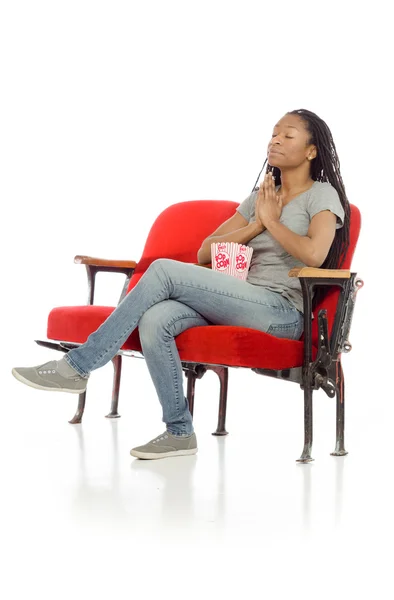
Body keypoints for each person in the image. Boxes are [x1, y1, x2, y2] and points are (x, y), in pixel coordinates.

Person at [12, 108, 350, 460]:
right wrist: (257, 224)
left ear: (311, 151)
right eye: (273, 133)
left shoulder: (321, 195)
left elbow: (314, 254)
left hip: (281, 312)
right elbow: (205, 250)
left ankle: (78, 366)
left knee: (163, 270)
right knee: (156, 319)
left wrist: (272, 222)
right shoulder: (260, 199)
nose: (275, 140)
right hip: (239, 301)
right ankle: (179, 432)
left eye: (288, 135)